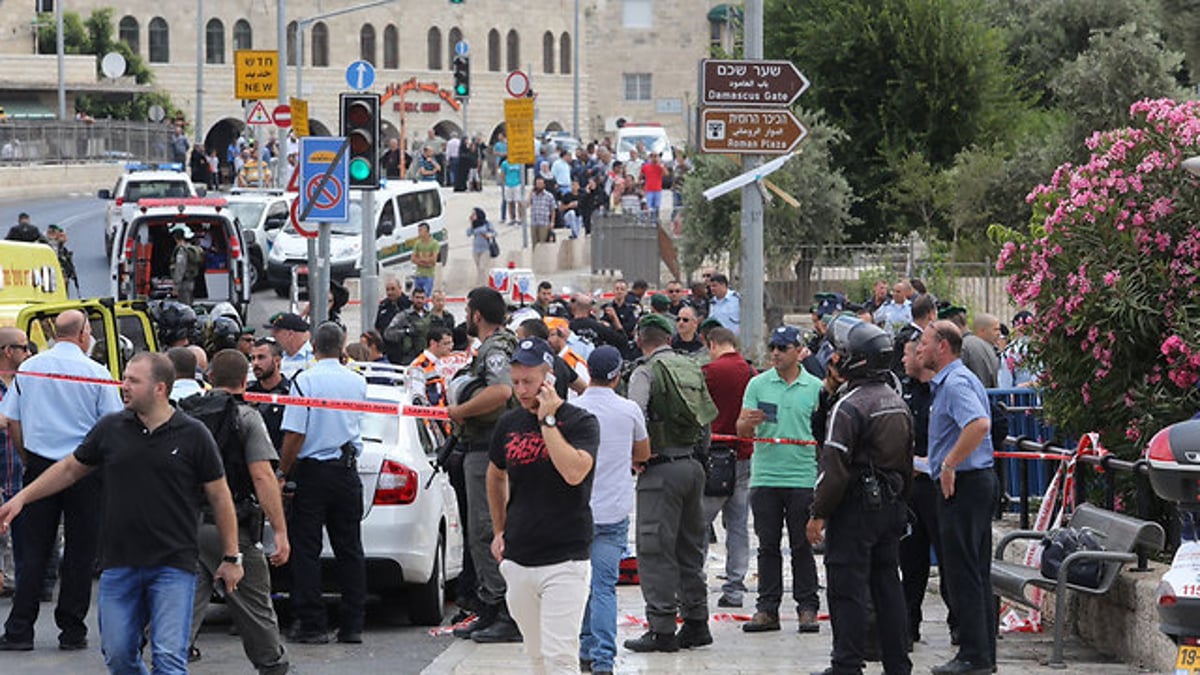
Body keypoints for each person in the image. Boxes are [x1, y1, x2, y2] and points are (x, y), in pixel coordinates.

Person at [0, 352, 243, 672]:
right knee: (118, 655)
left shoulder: (194, 434)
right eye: (124, 378)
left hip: (173, 565)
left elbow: (220, 496)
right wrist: (22, 498)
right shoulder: (111, 428)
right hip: (120, 565)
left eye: (133, 380)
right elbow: (71, 469)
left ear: (160, 388)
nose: (123, 386)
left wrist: (231, 557)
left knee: (169, 657)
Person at [0, 312, 123, 652]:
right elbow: (111, 426)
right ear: (84, 333)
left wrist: (28, 462)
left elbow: (13, 421)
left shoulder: (29, 368)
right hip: (85, 468)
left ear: (55, 333)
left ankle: (19, 629)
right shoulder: (97, 373)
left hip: (39, 465)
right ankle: (72, 629)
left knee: (34, 551)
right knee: (80, 553)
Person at [486, 337, 601, 673]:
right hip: (519, 556)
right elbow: (494, 475)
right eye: (516, 381)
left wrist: (548, 421)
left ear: (548, 379)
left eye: (529, 382)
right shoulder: (508, 424)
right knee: (536, 656)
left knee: (561, 656)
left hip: (565, 558)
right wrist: (498, 530)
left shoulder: (581, 422)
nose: (521, 390)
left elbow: (574, 472)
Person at [807, 321, 914, 675]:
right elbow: (907, 462)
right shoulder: (896, 400)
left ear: (859, 361)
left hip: (855, 510)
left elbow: (833, 467)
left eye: (844, 354)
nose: (836, 359)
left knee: (846, 588)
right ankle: (898, 664)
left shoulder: (851, 406)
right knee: (887, 586)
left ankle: (847, 664)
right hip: (891, 506)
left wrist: (818, 513)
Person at [184, 350, 290, 673]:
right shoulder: (246, 417)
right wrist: (280, 531)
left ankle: (160, 660)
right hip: (233, 530)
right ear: (245, 382)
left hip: (186, 525)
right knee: (255, 605)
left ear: (210, 378)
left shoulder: (184, 414)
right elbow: (262, 476)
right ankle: (273, 666)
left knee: (181, 606)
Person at [623, 314, 715, 654]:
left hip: (659, 469)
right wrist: (699, 457)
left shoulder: (645, 372)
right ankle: (696, 622)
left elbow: (635, 417)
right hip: (693, 465)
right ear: (669, 337)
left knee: (655, 550)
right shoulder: (690, 368)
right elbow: (706, 419)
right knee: (690, 547)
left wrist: (637, 458)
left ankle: (661, 628)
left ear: (639, 339)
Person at [278, 322, 368, 644]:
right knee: (350, 549)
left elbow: (295, 434)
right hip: (346, 472)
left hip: (314, 473)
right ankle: (353, 625)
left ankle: (312, 623)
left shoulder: (304, 381)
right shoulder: (358, 382)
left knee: (307, 550)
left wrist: (282, 473)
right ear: (343, 347)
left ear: (313, 347)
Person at [917, 321, 997, 675]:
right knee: (973, 570)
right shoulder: (950, 382)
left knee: (963, 571)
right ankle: (981, 653)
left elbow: (979, 424)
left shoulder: (956, 383)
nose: (919, 350)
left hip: (964, 485)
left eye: (924, 343)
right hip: (969, 481)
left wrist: (949, 464)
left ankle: (973, 656)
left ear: (943, 347)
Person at [447, 288, 522, 643]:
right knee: (485, 529)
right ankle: (492, 607)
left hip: (489, 447)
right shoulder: (501, 344)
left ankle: (504, 611)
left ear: (476, 315)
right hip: (489, 445)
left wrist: (458, 412)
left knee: (485, 529)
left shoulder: (495, 349)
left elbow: (501, 392)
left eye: (467, 309)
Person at [737, 326, 823, 633]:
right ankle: (767, 608)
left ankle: (808, 607)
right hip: (765, 477)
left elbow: (823, 434)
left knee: (802, 545)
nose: (775, 352)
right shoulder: (758, 384)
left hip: (802, 477)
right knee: (767, 546)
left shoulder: (815, 387)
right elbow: (742, 431)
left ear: (797, 351)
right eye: (772, 346)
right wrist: (745, 424)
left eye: (782, 347)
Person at [575, 346, 651, 675]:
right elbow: (643, 452)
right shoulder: (629, 409)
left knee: (579, 585)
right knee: (604, 586)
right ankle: (604, 658)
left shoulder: (572, 408)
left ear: (587, 372)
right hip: (612, 511)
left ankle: (584, 648)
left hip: (576, 511)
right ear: (618, 376)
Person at [897, 330, 957, 647]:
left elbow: (990, 425)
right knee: (910, 559)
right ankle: (908, 625)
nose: (906, 359)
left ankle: (958, 624)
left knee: (948, 558)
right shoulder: (903, 391)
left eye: (911, 353)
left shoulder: (946, 389)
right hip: (911, 489)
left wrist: (948, 461)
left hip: (940, 487)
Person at [700, 327, 755, 608]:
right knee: (738, 525)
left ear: (713, 344)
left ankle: (696, 583)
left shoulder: (709, 371)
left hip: (713, 457)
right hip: (743, 456)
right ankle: (734, 587)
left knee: (699, 523)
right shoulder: (750, 372)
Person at [0, 329, 30, 599]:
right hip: (2, 479)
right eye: (24, 347)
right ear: (8, 352)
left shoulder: (29, 383)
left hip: (24, 481)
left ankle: (32, 588)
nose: (29, 353)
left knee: (28, 546)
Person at [247, 336, 290, 451]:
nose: (255, 363)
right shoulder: (247, 392)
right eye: (253, 358)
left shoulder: (292, 393)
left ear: (277, 360)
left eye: (261, 357)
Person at [410, 326, 454, 406]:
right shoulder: (419, 365)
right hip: (429, 414)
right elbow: (417, 397)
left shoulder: (441, 362)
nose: (450, 347)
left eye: (451, 343)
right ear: (433, 343)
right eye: (446, 343)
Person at [265, 312, 314, 378]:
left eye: (277, 331)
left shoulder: (315, 357)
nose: (272, 335)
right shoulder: (276, 357)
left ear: (290, 334)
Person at [171, 224, 200, 305]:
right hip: (190, 281)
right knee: (189, 305)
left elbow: (180, 268)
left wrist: (176, 286)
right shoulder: (189, 247)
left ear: (175, 238)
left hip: (184, 283)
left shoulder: (181, 250)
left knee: (184, 308)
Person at [408, 222, 441, 296]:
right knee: (417, 296)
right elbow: (413, 258)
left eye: (420, 230)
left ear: (426, 231)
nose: (419, 233)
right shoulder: (418, 243)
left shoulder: (434, 244)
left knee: (425, 297)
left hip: (428, 275)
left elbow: (433, 261)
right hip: (418, 275)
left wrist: (420, 260)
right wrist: (425, 261)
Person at [468, 207, 497, 287]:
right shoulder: (474, 224)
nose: (472, 215)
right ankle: (481, 283)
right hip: (476, 249)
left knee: (482, 267)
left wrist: (488, 235)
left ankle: (482, 284)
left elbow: (494, 233)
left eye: (474, 214)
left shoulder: (487, 223)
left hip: (485, 248)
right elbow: (468, 233)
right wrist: (471, 223)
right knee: (479, 268)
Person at [528, 176, 558, 246]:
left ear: (544, 185)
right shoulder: (533, 195)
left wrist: (552, 222)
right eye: (537, 184)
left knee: (543, 244)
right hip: (534, 222)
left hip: (544, 223)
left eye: (540, 184)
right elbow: (527, 204)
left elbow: (553, 210)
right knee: (534, 244)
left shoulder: (549, 196)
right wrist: (530, 193)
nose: (539, 186)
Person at [640, 152, 665, 224]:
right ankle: (647, 220)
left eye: (656, 156)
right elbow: (641, 176)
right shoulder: (646, 167)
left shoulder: (660, 166)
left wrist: (661, 165)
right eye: (653, 156)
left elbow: (666, 174)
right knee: (648, 206)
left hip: (658, 189)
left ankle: (654, 221)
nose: (654, 158)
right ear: (650, 158)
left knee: (656, 206)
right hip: (649, 189)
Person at [500, 158, 524, 225]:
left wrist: (521, 182)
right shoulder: (505, 163)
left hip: (517, 184)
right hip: (508, 185)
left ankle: (520, 218)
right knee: (510, 202)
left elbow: (521, 173)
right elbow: (502, 174)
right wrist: (505, 182)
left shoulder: (518, 163)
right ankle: (512, 218)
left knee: (519, 202)